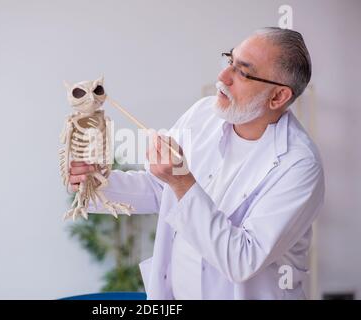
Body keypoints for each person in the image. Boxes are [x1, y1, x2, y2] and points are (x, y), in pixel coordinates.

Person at [68, 27, 325, 299]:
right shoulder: (204, 114)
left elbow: (242, 260)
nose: (223, 77)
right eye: (230, 61)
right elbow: (161, 190)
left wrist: (181, 180)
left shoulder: (299, 165)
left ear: (278, 97)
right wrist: (97, 185)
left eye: (243, 72)